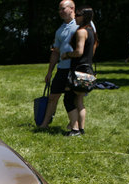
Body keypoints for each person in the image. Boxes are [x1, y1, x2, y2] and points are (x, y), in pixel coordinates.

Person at [38, 0, 78, 129]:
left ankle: (74, 125)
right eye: (59, 9)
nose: (60, 12)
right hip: (62, 68)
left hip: (75, 68)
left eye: (63, 9)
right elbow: (55, 52)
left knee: (74, 98)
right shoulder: (60, 30)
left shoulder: (81, 25)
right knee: (53, 96)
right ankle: (44, 124)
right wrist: (49, 72)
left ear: (72, 8)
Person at [61, 7, 96, 136]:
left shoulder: (81, 31)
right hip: (88, 70)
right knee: (79, 100)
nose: (75, 17)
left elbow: (78, 52)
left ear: (85, 16)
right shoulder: (91, 31)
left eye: (78, 15)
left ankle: (74, 129)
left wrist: (67, 55)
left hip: (78, 71)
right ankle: (81, 129)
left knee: (68, 99)